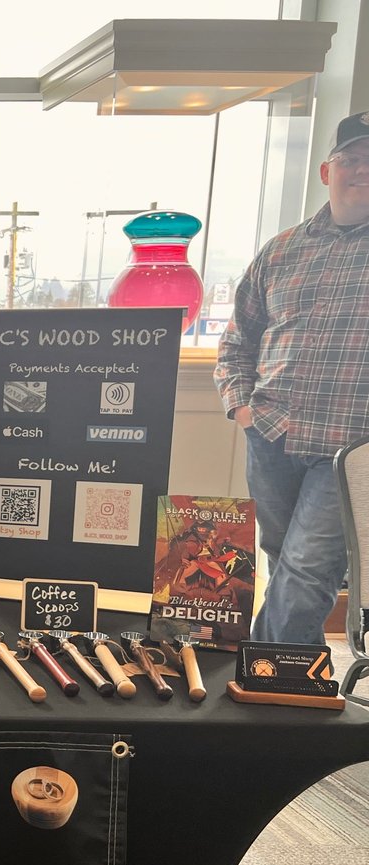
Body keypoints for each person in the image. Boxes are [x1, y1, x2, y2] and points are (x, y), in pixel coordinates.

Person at [214, 111, 369, 645]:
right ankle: (288, 682)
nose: (362, 170)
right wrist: (242, 408)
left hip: (350, 448)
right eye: (351, 159)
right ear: (327, 171)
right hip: (272, 436)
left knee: (307, 568)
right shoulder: (281, 251)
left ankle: (267, 680)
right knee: (283, 557)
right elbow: (238, 340)